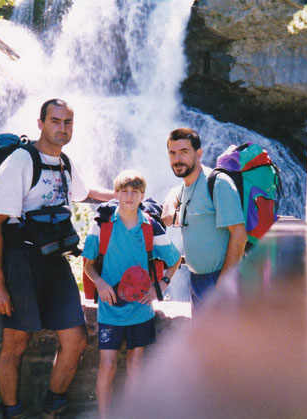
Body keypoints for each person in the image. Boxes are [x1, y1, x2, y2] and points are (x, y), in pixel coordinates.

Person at [0, 98, 115, 418]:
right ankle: (11, 412)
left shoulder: (64, 163)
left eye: (67, 122)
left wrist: (125, 194)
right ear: (41, 123)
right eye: (55, 121)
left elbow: (85, 193)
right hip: (21, 261)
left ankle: (51, 408)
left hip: (55, 259)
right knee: (16, 342)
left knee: (76, 340)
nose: (62, 128)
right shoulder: (20, 161)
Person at [82, 169, 181, 419]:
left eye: (135, 192)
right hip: (110, 308)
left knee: (136, 364)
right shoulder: (102, 225)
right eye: (124, 191)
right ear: (116, 194)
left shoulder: (150, 227)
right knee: (107, 365)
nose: (129, 196)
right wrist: (100, 283)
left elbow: (174, 260)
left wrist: (161, 286)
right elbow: (88, 265)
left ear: (142, 195)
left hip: (140, 309)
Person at [161, 128, 247, 315]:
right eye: (172, 153)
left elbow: (239, 234)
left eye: (184, 152)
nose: (177, 159)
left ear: (198, 154)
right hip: (196, 280)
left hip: (218, 280)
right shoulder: (186, 185)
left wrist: (224, 282)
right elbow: (177, 191)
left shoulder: (218, 183)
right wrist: (169, 201)